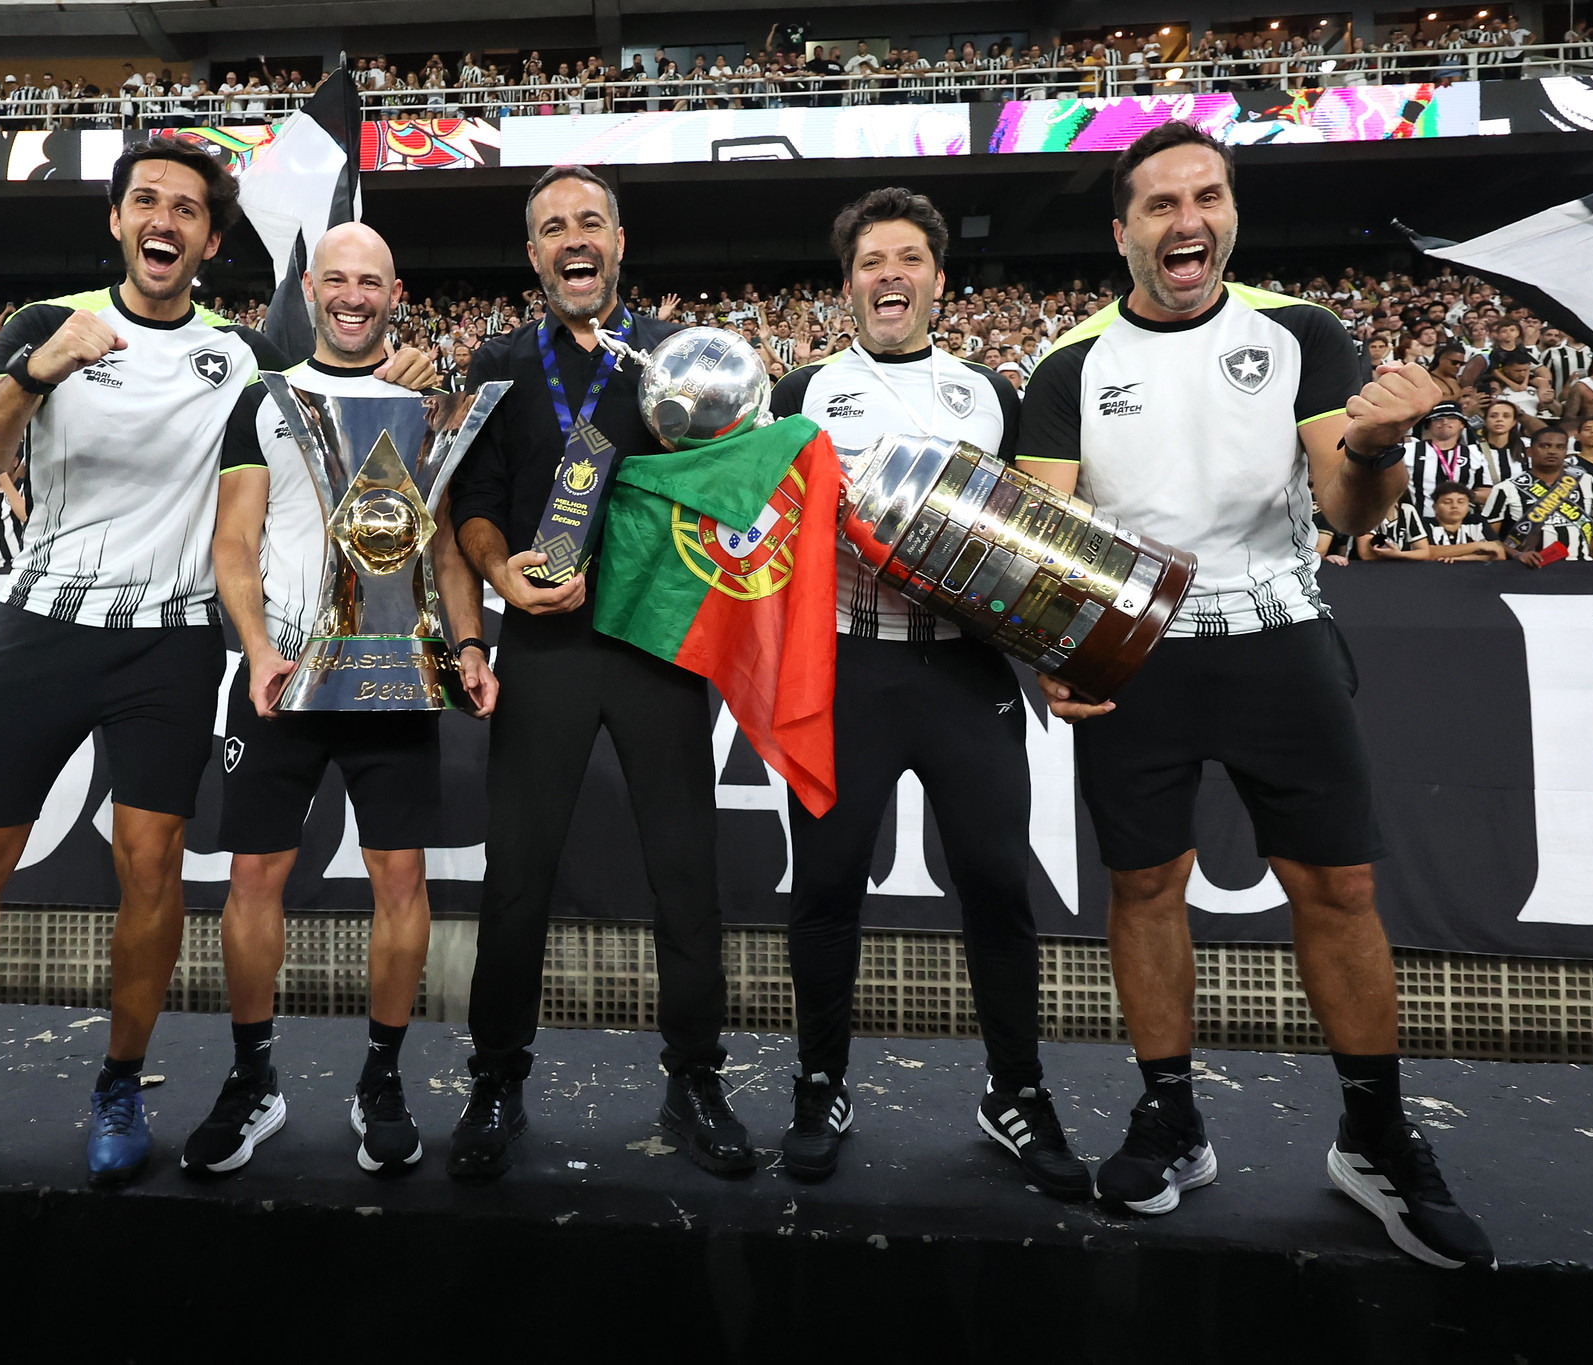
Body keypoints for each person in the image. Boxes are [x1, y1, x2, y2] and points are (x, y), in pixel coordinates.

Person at [0, 139, 436, 1192]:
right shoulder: (48, 324)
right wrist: (34, 370)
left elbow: (324, 421)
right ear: (117, 219)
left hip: (169, 641)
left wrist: (384, 383)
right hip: (40, 626)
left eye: (188, 209)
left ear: (208, 238)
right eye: (145, 200)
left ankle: (121, 1083)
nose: (165, 220)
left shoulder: (242, 357)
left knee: (152, 868)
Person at [1017, 122, 1493, 1269]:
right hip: (1139, 657)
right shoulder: (1069, 364)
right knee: (1143, 888)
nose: (1189, 220)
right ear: (1122, 231)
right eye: (1162, 204)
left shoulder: (1300, 332)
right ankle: (1169, 1117)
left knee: (1335, 886)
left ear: (1230, 211)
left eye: (1209, 196)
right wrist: (1054, 647)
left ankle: (1371, 1136)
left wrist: (1378, 446)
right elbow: (1047, 535)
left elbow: (1346, 511)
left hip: (1281, 637)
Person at [766, 189, 1083, 1196]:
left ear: (939, 280)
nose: (889, 276)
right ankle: (819, 1081)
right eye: (871, 262)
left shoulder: (990, 389)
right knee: (823, 886)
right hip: (844, 664)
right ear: (847, 283)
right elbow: (763, 537)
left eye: (909, 259)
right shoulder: (801, 390)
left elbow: (1040, 540)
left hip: (963, 667)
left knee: (995, 882)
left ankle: (1014, 1089)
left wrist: (1060, 646)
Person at [445, 165, 751, 1180]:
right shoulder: (498, 362)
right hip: (545, 646)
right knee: (517, 877)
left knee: (683, 873)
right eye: (549, 229)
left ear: (618, 243)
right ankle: (495, 1078)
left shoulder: (684, 361)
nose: (572, 240)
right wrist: (500, 576)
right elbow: (474, 506)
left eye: (589, 222)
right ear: (533, 256)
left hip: (660, 646)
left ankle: (695, 1075)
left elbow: (737, 495)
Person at [189, 222, 498, 1178]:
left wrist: (472, 644)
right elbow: (234, 540)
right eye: (338, 279)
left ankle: (383, 1076)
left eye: (371, 281)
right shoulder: (263, 401)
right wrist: (256, 649)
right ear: (311, 288)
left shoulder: (419, 405)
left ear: (394, 290)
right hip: (283, 674)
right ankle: (253, 1078)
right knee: (253, 880)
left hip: (393, 675)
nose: (354, 295)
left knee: (401, 880)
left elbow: (443, 545)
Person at [1482, 426, 1593, 575]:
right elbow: (1489, 537)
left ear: (1566, 452)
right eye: (1545, 446)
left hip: (1581, 569)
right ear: (1529, 452)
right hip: (1528, 571)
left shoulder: (1585, 481)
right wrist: (1516, 554)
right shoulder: (1506, 488)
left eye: (1560, 447)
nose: (1552, 451)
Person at [1424, 480, 1504, 560]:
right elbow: (1426, 553)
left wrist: (1463, 558)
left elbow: (1499, 553)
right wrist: (1478, 545)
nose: (1455, 506)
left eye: (1461, 502)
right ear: (1435, 507)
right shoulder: (1425, 524)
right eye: (1447, 502)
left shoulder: (1477, 521)